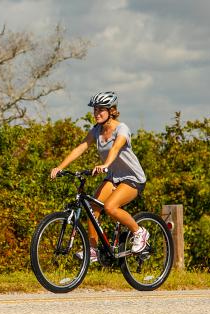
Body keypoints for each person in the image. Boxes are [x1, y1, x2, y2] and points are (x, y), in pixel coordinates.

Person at [50, 91, 149, 261]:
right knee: (91, 209)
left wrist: (105, 165)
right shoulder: (96, 131)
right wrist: (60, 167)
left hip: (132, 178)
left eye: (101, 110)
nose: (96, 113)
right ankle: (93, 250)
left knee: (110, 207)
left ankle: (140, 232)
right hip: (113, 177)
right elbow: (80, 148)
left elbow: (115, 149)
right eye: (95, 110)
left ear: (112, 111)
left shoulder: (122, 129)